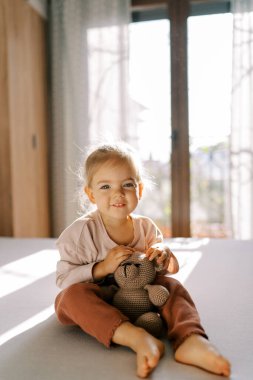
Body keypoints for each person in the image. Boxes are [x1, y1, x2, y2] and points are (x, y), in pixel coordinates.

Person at [55, 142, 231, 378]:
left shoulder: (145, 227)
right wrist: (102, 267)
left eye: (127, 185)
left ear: (139, 190)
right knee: (69, 299)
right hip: (102, 301)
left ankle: (190, 338)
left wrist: (163, 254)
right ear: (90, 194)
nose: (117, 193)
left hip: (141, 298)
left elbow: (166, 272)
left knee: (172, 287)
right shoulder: (80, 234)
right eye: (105, 186)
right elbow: (64, 279)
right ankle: (135, 337)